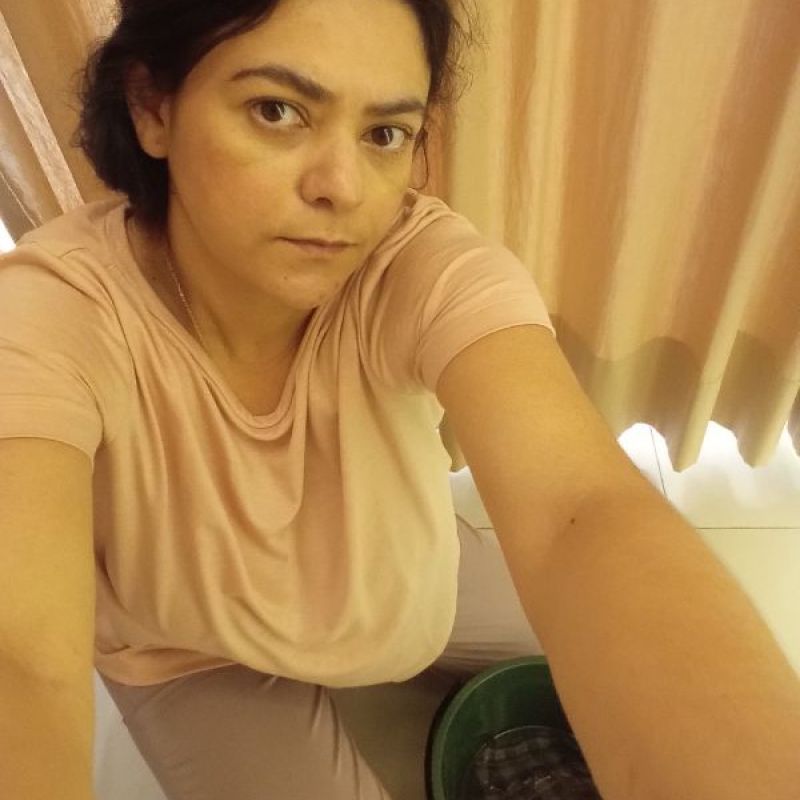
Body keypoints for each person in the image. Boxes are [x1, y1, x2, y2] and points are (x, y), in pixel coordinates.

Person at [1, 0, 799, 798]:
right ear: (153, 107)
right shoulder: (52, 312)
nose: (343, 188)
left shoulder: (416, 264)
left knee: (626, 640)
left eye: (384, 133)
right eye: (277, 111)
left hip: (390, 570)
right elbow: (23, 656)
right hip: (188, 651)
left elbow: (579, 511)